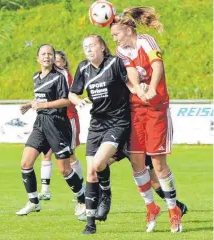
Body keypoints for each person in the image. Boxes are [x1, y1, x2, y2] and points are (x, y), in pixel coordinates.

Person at [110, 7, 184, 232]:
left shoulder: (146, 41)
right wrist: (138, 91)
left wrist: (151, 88)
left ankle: (174, 210)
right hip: (136, 111)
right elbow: (131, 73)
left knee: (159, 164)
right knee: (137, 163)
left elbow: (157, 65)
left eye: (116, 34)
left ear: (129, 28)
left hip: (157, 110)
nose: (115, 39)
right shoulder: (121, 52)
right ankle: (151, 207)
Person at [68, 35, 132, 234]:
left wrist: (141, 88)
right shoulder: (83, 68)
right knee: (90, 173)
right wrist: (77, 100)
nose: (88, 49)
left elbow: (130, 84)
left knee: (98, 164)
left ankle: (106, 191)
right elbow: (72, 93)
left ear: (102, 46)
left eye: (91, 45)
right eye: (84, 46)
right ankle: (90, 224)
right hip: (97, 124)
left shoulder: (114, 63)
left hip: (118, 122)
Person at [16, 44, 85, 218]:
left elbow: (66, 100)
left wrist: (44, 105)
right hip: (40, 124)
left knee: (64, 169)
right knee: (26, 163)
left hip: (57, 125)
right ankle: (33, 202)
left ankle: (84, 201)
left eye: (50, 54)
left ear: (54, 57)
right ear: (37, 58)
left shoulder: (60, 76)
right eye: (43, 54)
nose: (46, 56)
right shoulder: (36, 77)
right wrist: (29, 104)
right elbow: (40, 97)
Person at [39, 50, 84, 202]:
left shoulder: (65, 76)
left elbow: (68, 98)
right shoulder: (49, 76)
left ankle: (80, 187)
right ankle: (45, 190)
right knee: (46, 153)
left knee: (70, 155)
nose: (56, 64)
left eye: (59, 61)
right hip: (52, 120)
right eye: (54, 61)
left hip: (68, 119)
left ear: (64, 63)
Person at [110, 152, 188, 216]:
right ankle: (98, 207)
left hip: (136, 144)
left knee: (153, 181)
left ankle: (177, 206)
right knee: (99, 165)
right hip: (118, 141)